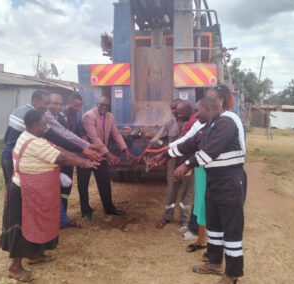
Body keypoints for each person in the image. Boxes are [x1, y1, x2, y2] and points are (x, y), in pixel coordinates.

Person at [152, 91, 246, 284]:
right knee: (214, 226)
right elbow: (188, 144)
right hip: (215, 182)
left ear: (207, 108)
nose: (195, 115)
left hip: (230, 182)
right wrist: (165, 156)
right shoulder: (207, 127)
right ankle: (214, 264)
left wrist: (186, 165)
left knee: (231, 229)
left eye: (197, 111)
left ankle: (232, 275)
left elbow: (209, 152)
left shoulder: (225, 123)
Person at [0, 109, 99, 282]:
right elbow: (61, 157)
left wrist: (81, 153)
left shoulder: (32, 137)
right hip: (24, 192)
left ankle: (34, 255)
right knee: (24, 228)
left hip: (33, 190)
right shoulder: (34, 143)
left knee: (37, 223)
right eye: (44, 124)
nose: (46, 127)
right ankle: (15, 268)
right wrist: (84, 163)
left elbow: (57, 148)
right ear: (34, 125)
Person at [1, 90, 95, 229]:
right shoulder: (35, 119)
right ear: (35, 102)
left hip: (15, 157)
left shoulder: (18, 111)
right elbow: (56, 139)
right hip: (16, 160)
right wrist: (83, 155)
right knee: (21, 198)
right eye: (46, 104)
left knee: (30, 195)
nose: (48, 107)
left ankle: (56, 221)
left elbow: (7, 136)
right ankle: (21, 228)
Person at [46, 93, 103, 220]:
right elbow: (62, 136)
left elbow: (79, 135)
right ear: (69, 103)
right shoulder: (58, 117)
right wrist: (84, 150)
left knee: (67, 186)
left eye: (80, 106)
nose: (77, 108)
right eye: (75, 105)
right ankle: (57, 218)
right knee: (56, 188)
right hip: (58, 156)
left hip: (70, 157)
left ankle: (63, 216)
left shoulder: (77, 118)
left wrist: (88, 148)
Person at [78, 95, 135, 220]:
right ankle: (86, 212)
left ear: (109, 106)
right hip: (87, 155)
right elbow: (94, 138)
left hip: (101, 155)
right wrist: (108, 154)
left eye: (106, 105)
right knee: (83, 184)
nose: (104, 107)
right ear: (96, 104)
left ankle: (109, 208)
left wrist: (125, 150)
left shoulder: (110, 116)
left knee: (104, 182)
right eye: (101, 104)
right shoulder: (89, 116)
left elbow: (116, 134)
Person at [154, 100, 195, 232]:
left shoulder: (194, 124)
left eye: (179, 111)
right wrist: (163, 145)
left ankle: (185, 221)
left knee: (188, 192)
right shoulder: (169, 124)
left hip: (188, 162)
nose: (176, 113)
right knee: (171, 190)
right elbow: (157, 139)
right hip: (173, 161)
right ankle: (167, 217)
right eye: (175, 110)